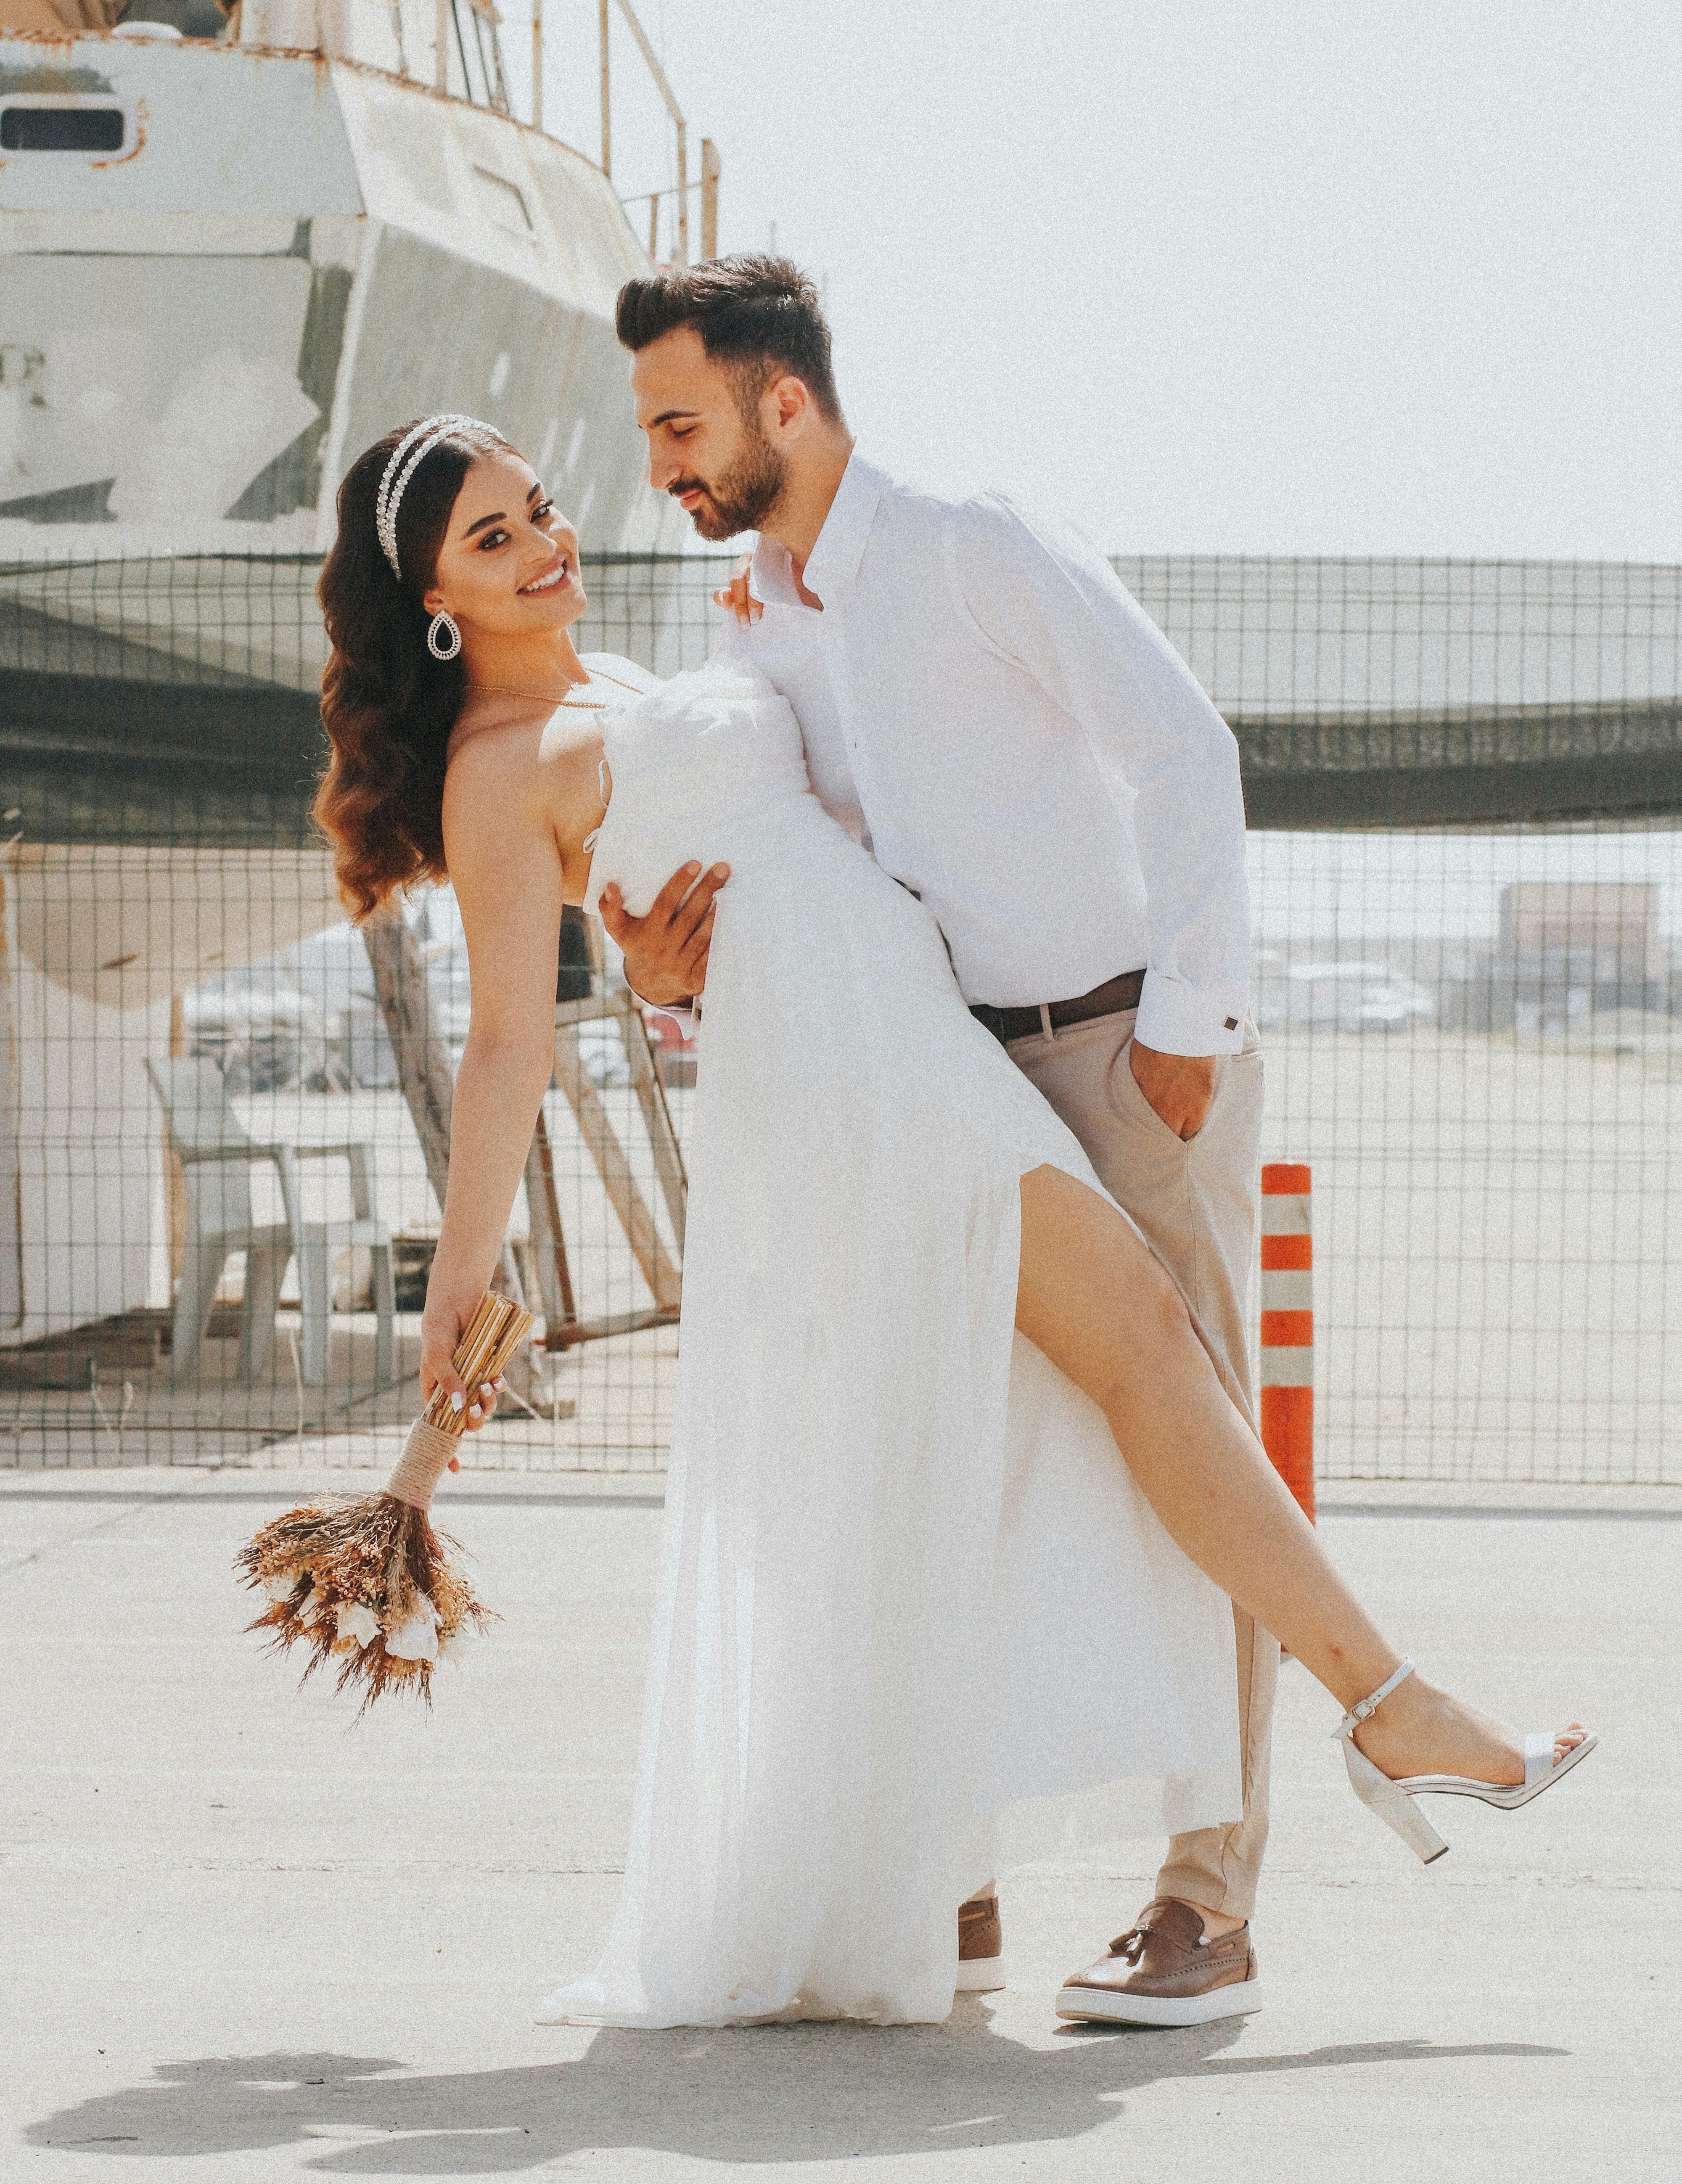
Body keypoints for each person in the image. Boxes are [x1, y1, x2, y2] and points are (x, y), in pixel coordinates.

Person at [313, 403, 1592, 2032]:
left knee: (1026, 1424)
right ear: (435, 603)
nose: (544, 545)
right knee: (1144, 1351)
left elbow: (759, 847)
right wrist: (466, 1271)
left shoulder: (620, 685)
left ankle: (948, 1873)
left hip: (900, 1033)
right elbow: (504, 1041)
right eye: (490, 541)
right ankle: (1391, 1707)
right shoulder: (501, 771)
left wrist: (673, 943)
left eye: (541, 510)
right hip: (848, 1081)